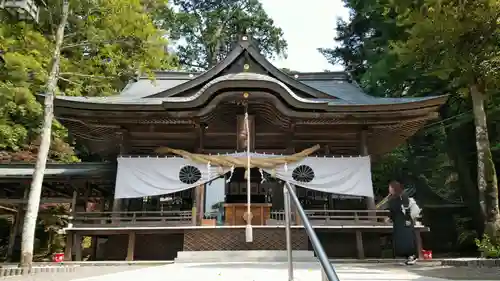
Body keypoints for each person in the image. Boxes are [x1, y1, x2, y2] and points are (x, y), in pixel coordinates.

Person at [387, 180, 418, 265]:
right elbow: (393, 211)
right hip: (398, 221)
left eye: (390, 187)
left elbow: (406, 208)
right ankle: (407, 257)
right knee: (400, 240)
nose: (389, 189)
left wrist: (408, 219)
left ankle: (412, 256)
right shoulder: (392, 198)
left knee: (407, 239)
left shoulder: (402, 196)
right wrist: (390, 218)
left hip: (404, 220)